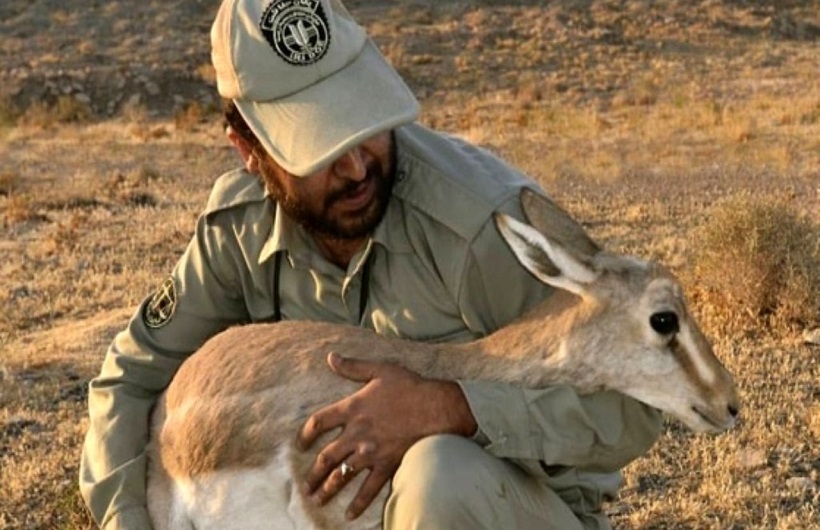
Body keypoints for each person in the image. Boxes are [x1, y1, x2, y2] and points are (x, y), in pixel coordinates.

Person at [80, 0, 663, 528]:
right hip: (338, 514)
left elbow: (632, 407)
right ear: (248, 150)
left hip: (513, 510)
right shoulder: (238, 231)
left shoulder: (482, 226)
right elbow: (129, 380)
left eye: (363, 123)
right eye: (319, 146)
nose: (358, 167)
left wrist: (454, 407)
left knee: (439, 473)